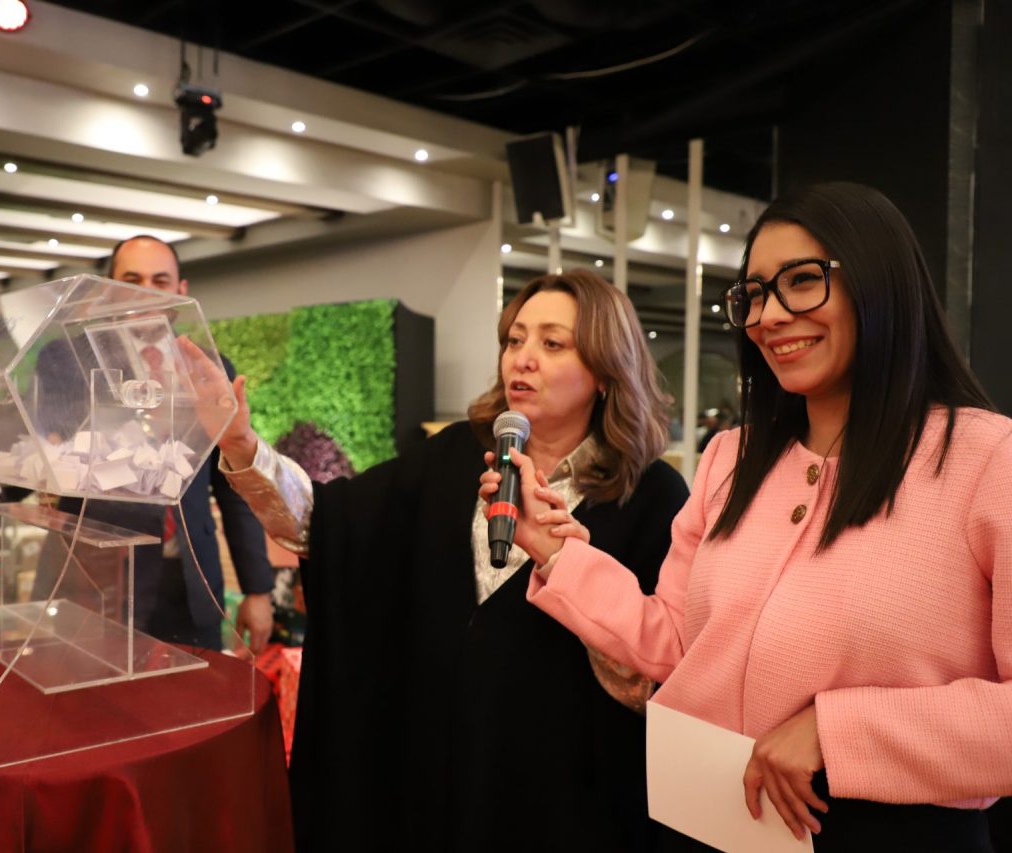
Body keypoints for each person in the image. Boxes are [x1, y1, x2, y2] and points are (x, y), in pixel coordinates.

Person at [500, 182, 1008, 851]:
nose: (769, 315)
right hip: (710, 822)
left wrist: (836, 730)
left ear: (880, 282)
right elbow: (677, 642)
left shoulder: (985, 460)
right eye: (756, 294)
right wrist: (557, 552)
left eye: (803, 281)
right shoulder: (730, 459)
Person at [187, 270, 689, 852]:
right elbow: (325, 525)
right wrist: (242, 445)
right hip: (428, 772)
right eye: (515, 339)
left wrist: (564, 562)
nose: (523, 358)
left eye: (552, 343)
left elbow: (653, 677)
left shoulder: (652, 496)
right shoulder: (455, 454)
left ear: (605, 371)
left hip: (556, 794)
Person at [36, 235, 274, 653]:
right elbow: (58, 449)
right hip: (102, 576)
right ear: (107, 289)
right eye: (131, 280)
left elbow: (234, 480)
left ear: (181, 290)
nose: (146, 291)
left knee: (195, 690)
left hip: (191, 577)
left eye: (160, 281)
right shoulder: (67, 359)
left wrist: (258, 589)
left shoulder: (209, 366)